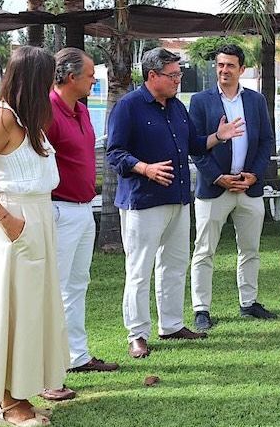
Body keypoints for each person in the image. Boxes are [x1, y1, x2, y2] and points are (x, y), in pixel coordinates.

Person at [0, 46, 68, 427]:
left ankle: (20, 392)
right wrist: (7, 220)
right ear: (34, 79)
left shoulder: (30, 119)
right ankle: (5, 401)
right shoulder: (1, 118)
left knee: (31, 311)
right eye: (49, 76)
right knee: (9, 309)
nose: (54, 83)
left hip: (37, 223)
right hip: (13, 227)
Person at [107, 48, 243, 359]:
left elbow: (195, 144)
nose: (178, 81)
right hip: (143, 202)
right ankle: (137, 335)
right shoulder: (128, 107)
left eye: (179, 75)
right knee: (139, 270)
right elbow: (114, 153)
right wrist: (145, 168)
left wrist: (218, 136)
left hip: (178, 199)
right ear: (152, 76)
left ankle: (171, 325)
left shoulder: (177, 108)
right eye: (173, 76)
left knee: (174, 265)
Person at [42, 48, 118, 405]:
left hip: (83, 209)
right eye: (89, 76)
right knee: (54, 291)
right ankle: (46, 370)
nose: (93, 80)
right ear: (70, 77)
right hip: (58, 210)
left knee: (77, 284)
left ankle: (77, 356)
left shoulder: (83, 110)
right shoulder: (47, 112)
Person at [189, 44, 276, 331]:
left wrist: (253, 175)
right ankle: (201, 309)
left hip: (248, 187)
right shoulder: (201, 101)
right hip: (215, 188)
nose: (224, 70)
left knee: (250, 249)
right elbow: (196, 147)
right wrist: (218, 177)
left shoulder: (255, 100)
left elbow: (265, 141)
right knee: (204, 251)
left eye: (230, 66)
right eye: (220, 65)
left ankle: (248, 303)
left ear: (242, 69)